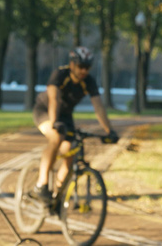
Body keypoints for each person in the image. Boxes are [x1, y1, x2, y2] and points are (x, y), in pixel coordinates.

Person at [31, 46, 119, 203]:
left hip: (65, 116)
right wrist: (54, 121)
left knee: (71, 152)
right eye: (80, 66)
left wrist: (109, 130)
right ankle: (41, 184)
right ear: (72, 64)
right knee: (56, 138)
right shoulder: (60, 74)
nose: (83, 71)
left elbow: (98, 106)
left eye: (87, 67)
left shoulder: (88, 82)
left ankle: (56, 196)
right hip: (45, 111)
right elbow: (54, 99)